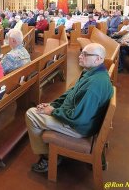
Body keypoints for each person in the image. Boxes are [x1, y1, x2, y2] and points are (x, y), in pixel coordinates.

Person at [25, 43, 113, 173]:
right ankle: (49, 152)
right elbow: (71, 93)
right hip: (75, 117)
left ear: (98, 59)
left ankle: (47, 157)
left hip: (78, 127)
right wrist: (53, 105)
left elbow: (79, 118)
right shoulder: (90, 72)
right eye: (81, 52)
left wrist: (53, 111)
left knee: (31, 114)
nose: (80, 56)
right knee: (41, 110)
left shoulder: (95, 84)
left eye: (85, 54)